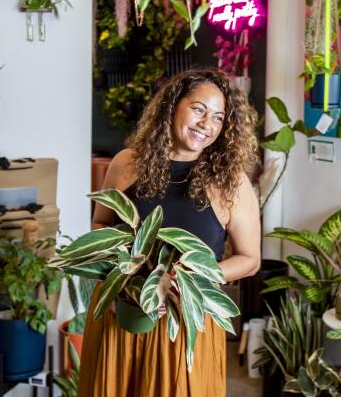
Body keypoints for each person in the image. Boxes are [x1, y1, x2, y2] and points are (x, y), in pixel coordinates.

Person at [78, 69, 262, 397]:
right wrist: (116, 279)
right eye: (199, 109)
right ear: (173, 106)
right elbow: (101, 226)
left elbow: (249, 260)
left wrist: (187, 279)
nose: (207, 124)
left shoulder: (230, 183)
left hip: (187, 325)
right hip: (121, 316)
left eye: (219, 117)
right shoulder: (126, 164)